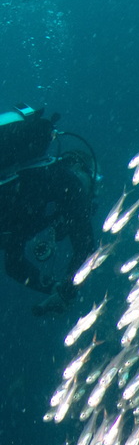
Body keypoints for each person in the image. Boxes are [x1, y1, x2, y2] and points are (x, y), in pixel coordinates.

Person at [0, 104, 97, 313]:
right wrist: (68, 286)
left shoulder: (33, 180)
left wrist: (54, 287)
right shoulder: (68, 183)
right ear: (82, 170)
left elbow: (13, 266)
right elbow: (86, 246)